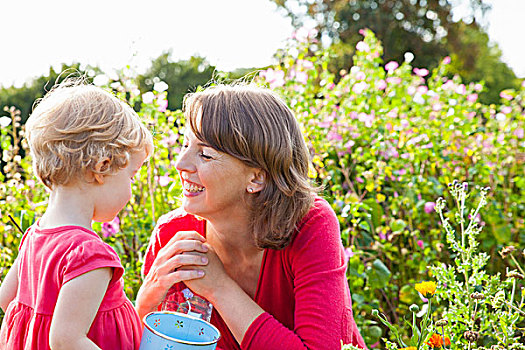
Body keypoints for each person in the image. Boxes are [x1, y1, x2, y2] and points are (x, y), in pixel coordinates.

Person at [135, 84, 367, 349]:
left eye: (205, 154)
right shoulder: (173, 234)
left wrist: (219, 287)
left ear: (256, 177)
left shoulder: (309, 224)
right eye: (186, 144)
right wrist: (145, 301)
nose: (180, 163)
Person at [0, 81, 154, 349]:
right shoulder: (89, 255)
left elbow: (7, 300)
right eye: (132, 175)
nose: (132, 188)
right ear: (102, 167)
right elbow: (66, 340)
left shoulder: (34, 238)